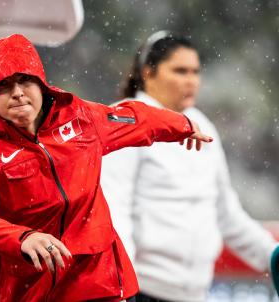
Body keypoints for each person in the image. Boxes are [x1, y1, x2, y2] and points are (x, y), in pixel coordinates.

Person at [0, 34, 212, 302]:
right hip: (34, 290)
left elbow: (136, 117)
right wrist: (21, 239)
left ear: (41, 84)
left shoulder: (81, 119)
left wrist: (183, 125)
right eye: (4, 85)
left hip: (102, 285)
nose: (17, 92)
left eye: (25, 80)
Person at [101, 31, 278, 302]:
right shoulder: (124, 121)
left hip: (196, 293)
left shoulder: (203, 125)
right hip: (142, 291)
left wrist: (272, 256)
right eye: (180, 71)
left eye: (195, 71)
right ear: (148, 72)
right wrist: (120, 287)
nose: (191, 81)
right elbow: (114, 210)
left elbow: (226, 213)